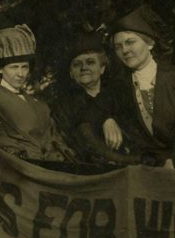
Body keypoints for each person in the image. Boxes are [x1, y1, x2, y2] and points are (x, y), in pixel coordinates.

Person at [103, 5, 175, 170]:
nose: (124, 50)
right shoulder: (118, 87)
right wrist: (107, 120)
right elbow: (95, 105)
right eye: (118, 46)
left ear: (150, 43)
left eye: (130, 42)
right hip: (148, 170)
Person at [0, 24, 72, 163]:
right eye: (14, 67)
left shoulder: (39, 105)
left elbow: (53, 139)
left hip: (49, 167)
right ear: (0, 69)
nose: (20, 74)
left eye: (24, 67)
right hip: (12, 167)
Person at [51, 29, 139, 166]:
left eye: (90, 62)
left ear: (102, 68)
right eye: (77, 64)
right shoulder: (64, 105)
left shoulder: (119, 97)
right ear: (71, 73)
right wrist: (105, 118)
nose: (84, 68)